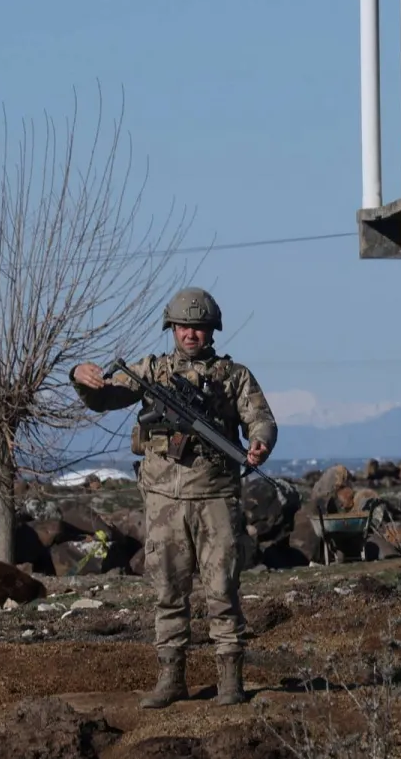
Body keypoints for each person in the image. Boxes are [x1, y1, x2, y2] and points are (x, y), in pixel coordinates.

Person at [69, 286, 277, 708]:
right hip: (163, 498)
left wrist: (259, 444)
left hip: (216, 495)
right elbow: (106, 396)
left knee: (222, 589)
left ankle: (230, 678)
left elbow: (261, 419)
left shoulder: (233, 376)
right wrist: (81, 377)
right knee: (167, 590)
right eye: (184, 326)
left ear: (211, 330)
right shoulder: (152, 370)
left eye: (198, 328)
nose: (191, 335)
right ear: (172, 328)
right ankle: (171, 678)